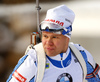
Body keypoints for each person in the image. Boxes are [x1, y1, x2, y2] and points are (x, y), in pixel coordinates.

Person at [7, 5, 100, 82]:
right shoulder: (33, 61)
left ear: (67, 37)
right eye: (45, 36)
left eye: (55, 37)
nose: (48, 42)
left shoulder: (81, 56)